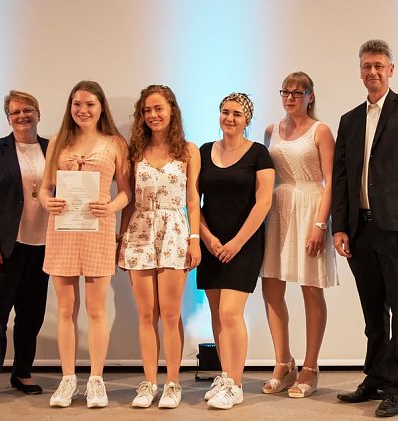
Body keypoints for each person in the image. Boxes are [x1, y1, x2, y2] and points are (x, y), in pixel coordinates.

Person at [331, 39, 398, 418]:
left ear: (391, 70)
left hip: (397, 230)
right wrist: (339, 227)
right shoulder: (349, 120)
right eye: (366, 66)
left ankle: (396, 387)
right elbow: (341, 179)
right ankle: (373, 378)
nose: (372, 72)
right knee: (373, 314)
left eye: (378, 65)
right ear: (359, 71)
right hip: (360, 231)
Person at [38, 80, 131, 408]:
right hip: (63, 230)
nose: (83, 110)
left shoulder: (115, 144)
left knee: (96, 309)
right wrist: (45, 201)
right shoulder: (56, 142)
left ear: (101, 107)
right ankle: (67, 380)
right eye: (77, 104)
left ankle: (95, 380)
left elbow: (126, 192)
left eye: (90, 104)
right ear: (70, 107)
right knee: (65, 308)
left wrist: (110, 206)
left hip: (98, 229)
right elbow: (44, 187)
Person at [117, 85, 201, 409]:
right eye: (147, 110)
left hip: (174, 230)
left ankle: (173, 383)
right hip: (139, 230)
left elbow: (193, 199)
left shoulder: (188, 150)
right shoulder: (134, 151)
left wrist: (194, 239)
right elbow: (127, 202)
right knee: (145, 313)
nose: (152, 115)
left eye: (158, 109)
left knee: (169, 313)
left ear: (171, 111)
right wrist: (120, 238)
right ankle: (148, 382)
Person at [260, 71, 337, 398]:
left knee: (310, 290)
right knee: (272, 287)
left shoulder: (321, 131)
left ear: (310, 96)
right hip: (277, 210)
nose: (290, 97)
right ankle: (283, 362)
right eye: (286, 92)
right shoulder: (270, 130)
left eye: (297, 92)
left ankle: (310, 367)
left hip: (310, 209)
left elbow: (332, 181)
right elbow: (265, 175)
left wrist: (320, 224)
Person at [197, 92, 275, 409]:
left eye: (237, 114)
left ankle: (236, 385)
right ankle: (226, 375)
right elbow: (193, 201)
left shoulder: (258, 154)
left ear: (247, 120)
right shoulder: (203, 152)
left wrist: (236, 242)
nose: (230, 118)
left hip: (244, 243)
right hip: (211, 243)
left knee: (231, 312)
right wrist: (206, 238)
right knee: (217, 314)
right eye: (225, 112)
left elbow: (264, 202)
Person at [0, 90, 49, 404]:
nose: (22, 116)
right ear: (8, 117)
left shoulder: (51, 148)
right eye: (15, 112)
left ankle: (22, 372)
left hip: (42, 246)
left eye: (28, 110)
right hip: (3, 248)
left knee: (31, 316)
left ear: (38, 114)